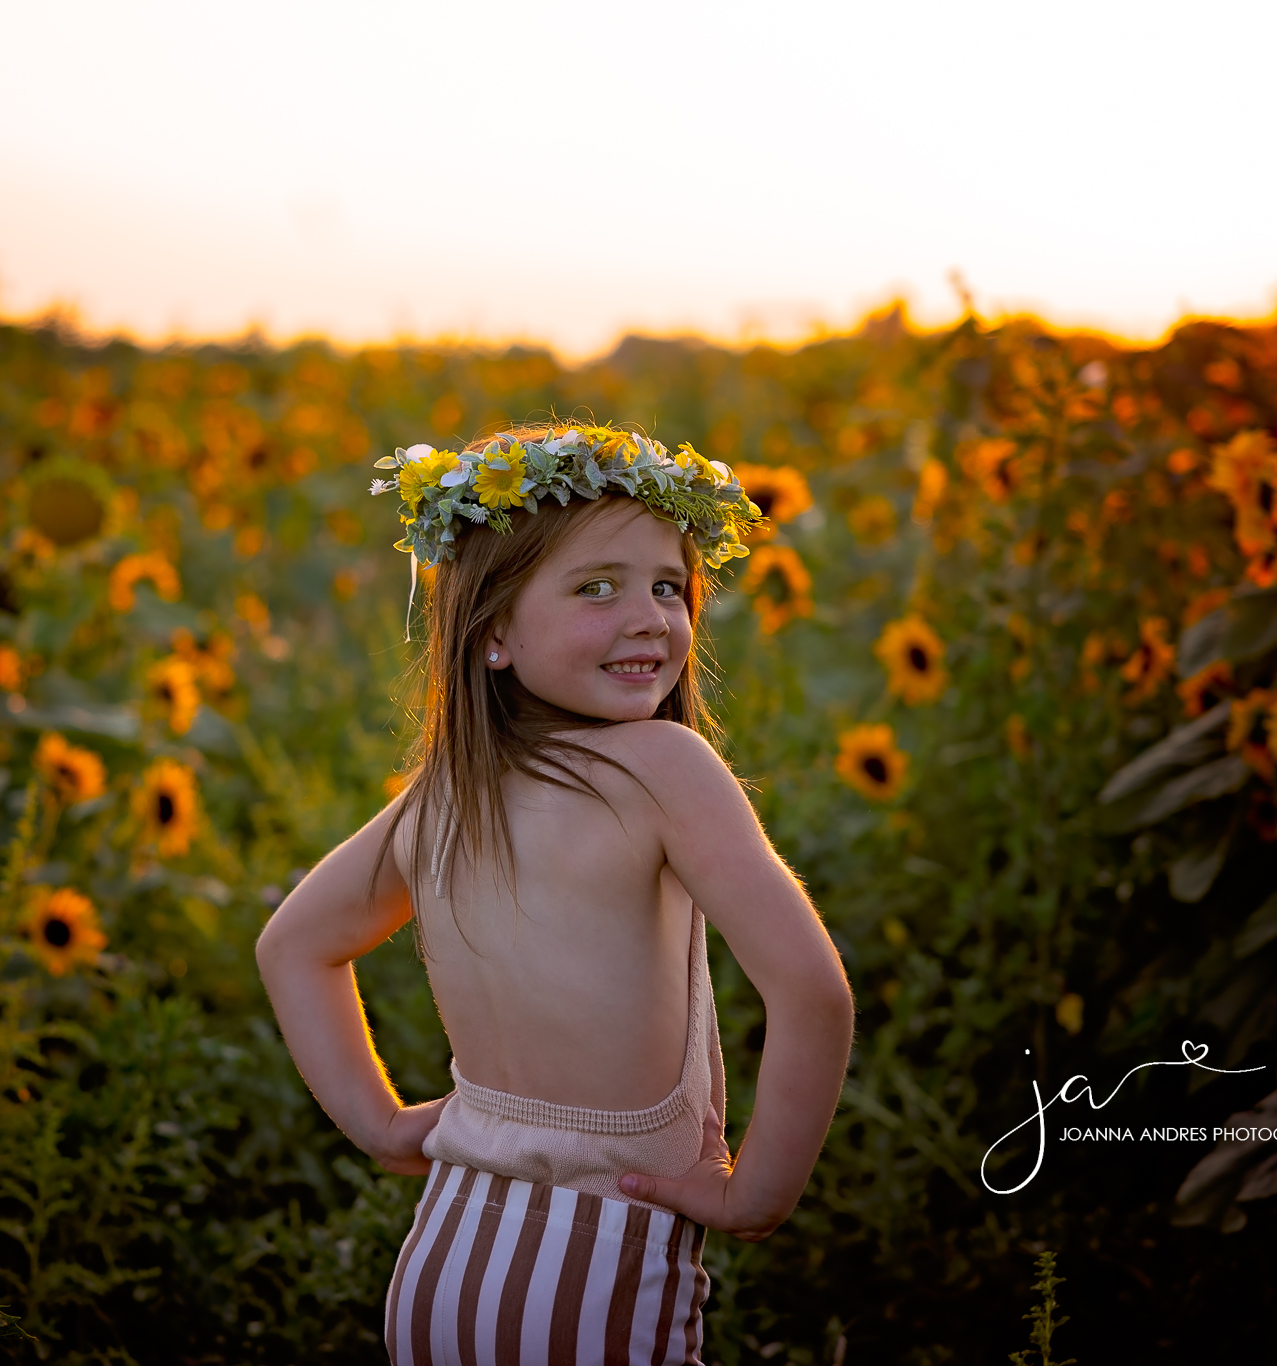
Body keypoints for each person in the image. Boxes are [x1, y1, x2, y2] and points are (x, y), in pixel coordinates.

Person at [255, 424, 853, 1365]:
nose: (650, 616)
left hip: (441, 1265)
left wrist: (379, 1125)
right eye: (596, 587)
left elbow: (292, 945)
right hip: (595, 1273)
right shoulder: (665, 767)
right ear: (493, 632)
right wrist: (757, 1196)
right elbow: (815, 994)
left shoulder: (446, 794)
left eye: (668, 585)